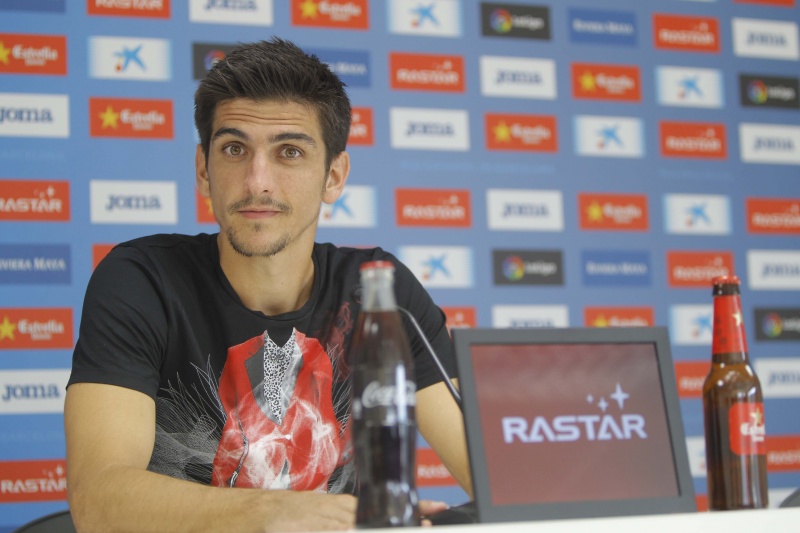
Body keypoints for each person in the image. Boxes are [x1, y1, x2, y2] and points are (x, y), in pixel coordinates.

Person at [64, 37, 471, 532]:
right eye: (234, 149)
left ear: (334, 176)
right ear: (203, 169)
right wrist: (279, 510)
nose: (257, 181)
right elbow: (98, 501)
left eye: (289, 152)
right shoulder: (141, 280)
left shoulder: (379, 291)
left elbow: (496, 480)